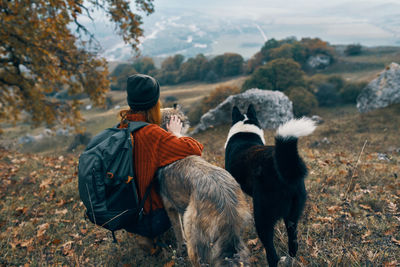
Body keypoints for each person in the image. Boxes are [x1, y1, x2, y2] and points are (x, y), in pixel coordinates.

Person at [118, 74, 203, 250]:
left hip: (125, 216)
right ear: (154, 102)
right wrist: (175, 134)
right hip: (152, 219)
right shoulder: (153, 135)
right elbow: (195, 149)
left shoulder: (122, 127)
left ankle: (144, 235)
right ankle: (153, 235)